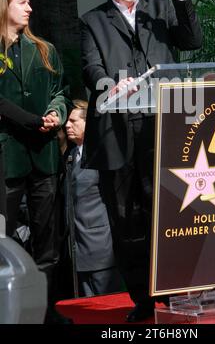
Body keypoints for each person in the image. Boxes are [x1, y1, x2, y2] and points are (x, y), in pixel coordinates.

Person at [80, 0, 202, 322]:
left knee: (167, 211)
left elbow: (192, 40)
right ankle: (144, 299)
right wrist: (114, 86)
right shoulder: (93, 21)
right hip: (119, 132)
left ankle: (176, 289)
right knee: (128, 219)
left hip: (162, 126)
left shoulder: (159, 9)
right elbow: (90, 68)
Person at [0, 0, 69, 323]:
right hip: (8, 159)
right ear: (5, 6)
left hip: (44, 157)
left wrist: (57, 113)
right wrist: (33, 121)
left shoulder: (45, 49)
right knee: (5, 238)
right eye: (22, 2)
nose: (29, 8)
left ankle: (45, 311)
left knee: (48, 244)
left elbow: (60, 90)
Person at [64, 99, 123, 297]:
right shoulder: (71, 155)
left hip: (101, 249)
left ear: (88, 123)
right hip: (77, 250)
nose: (67, 125)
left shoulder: (102, 154)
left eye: (73, 121)